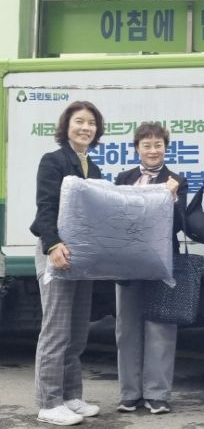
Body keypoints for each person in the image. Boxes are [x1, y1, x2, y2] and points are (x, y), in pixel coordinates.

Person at [30, 101, 105, 426]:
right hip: (56, 251)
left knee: (76, 332)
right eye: (79, 122)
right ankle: (48, 403)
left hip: (81, 256)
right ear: (67, 126)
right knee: (56, 331)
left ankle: (71, 396)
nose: (85, 128)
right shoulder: (54, 161)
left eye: (91, 123)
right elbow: (46, 207)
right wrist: (52, 245)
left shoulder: (94, 169)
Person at [114, 122, 188, 415]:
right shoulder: (124, 178)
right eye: (147, 145)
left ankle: (157, 394)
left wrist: (172, 198)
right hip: (128, 263)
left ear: (166, 148)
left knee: (161, 328)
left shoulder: (176, 180)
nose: (153, 150)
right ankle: (129, 394)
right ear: (137, 149)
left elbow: (180, 226)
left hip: (162, 261)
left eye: (158, 145)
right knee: (127, 328)